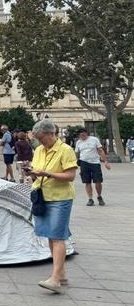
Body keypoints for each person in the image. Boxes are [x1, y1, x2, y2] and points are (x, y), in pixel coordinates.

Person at [27, 119, 77, 294]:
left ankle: (55, 279)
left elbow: (71, 176)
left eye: (42, 138)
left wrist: (46, 173)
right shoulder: (39, 150)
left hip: (60, 198)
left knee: (57, 236)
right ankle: (61, 274)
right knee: (50, 235)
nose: (40, 142)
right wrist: (32, 174)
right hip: (41, 196)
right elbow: (37, 170)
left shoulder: (66, 150)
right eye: (38, 139)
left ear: (51, 133)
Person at [74, 128, 110, 206]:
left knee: (98, 181)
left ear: (87, 133)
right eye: (80, 134)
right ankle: (90, 199)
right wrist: (75, 162)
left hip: (95, 163)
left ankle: (99, 196)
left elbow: (100, 150)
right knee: (87, 182)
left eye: (83, 133)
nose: (82, 135)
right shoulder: (78, 142)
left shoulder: (94, 139)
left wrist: (105, 161)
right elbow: (76, 153)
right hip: (84, 163)